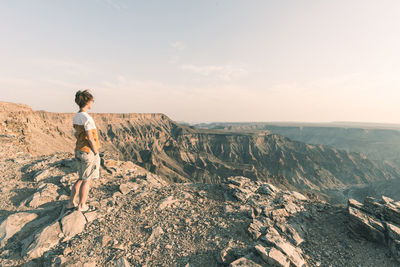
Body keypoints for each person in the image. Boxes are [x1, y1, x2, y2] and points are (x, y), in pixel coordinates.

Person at [66, 89, 101, 212]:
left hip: (78, 150)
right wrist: (96, 152)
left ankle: (71, 203)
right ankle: (82, 205)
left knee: (80, 178)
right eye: (92, 101)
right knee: (87, 180)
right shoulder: (87, 118)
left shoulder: (76, 117)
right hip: (87, 152)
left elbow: (76, 134)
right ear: (87, 101)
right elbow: (90, 138)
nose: (92, 103)